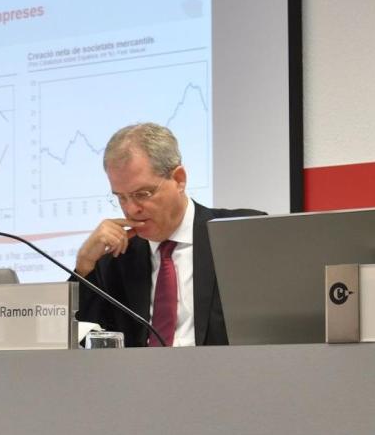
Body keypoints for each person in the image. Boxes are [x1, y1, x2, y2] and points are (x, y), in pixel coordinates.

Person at [74, 123, 262, 347]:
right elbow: (76, 340)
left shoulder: (241, 235)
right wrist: (84, 266)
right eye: (121, 197)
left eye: (142, 194)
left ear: (179, 179)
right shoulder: (115, 258)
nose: (131, 209)